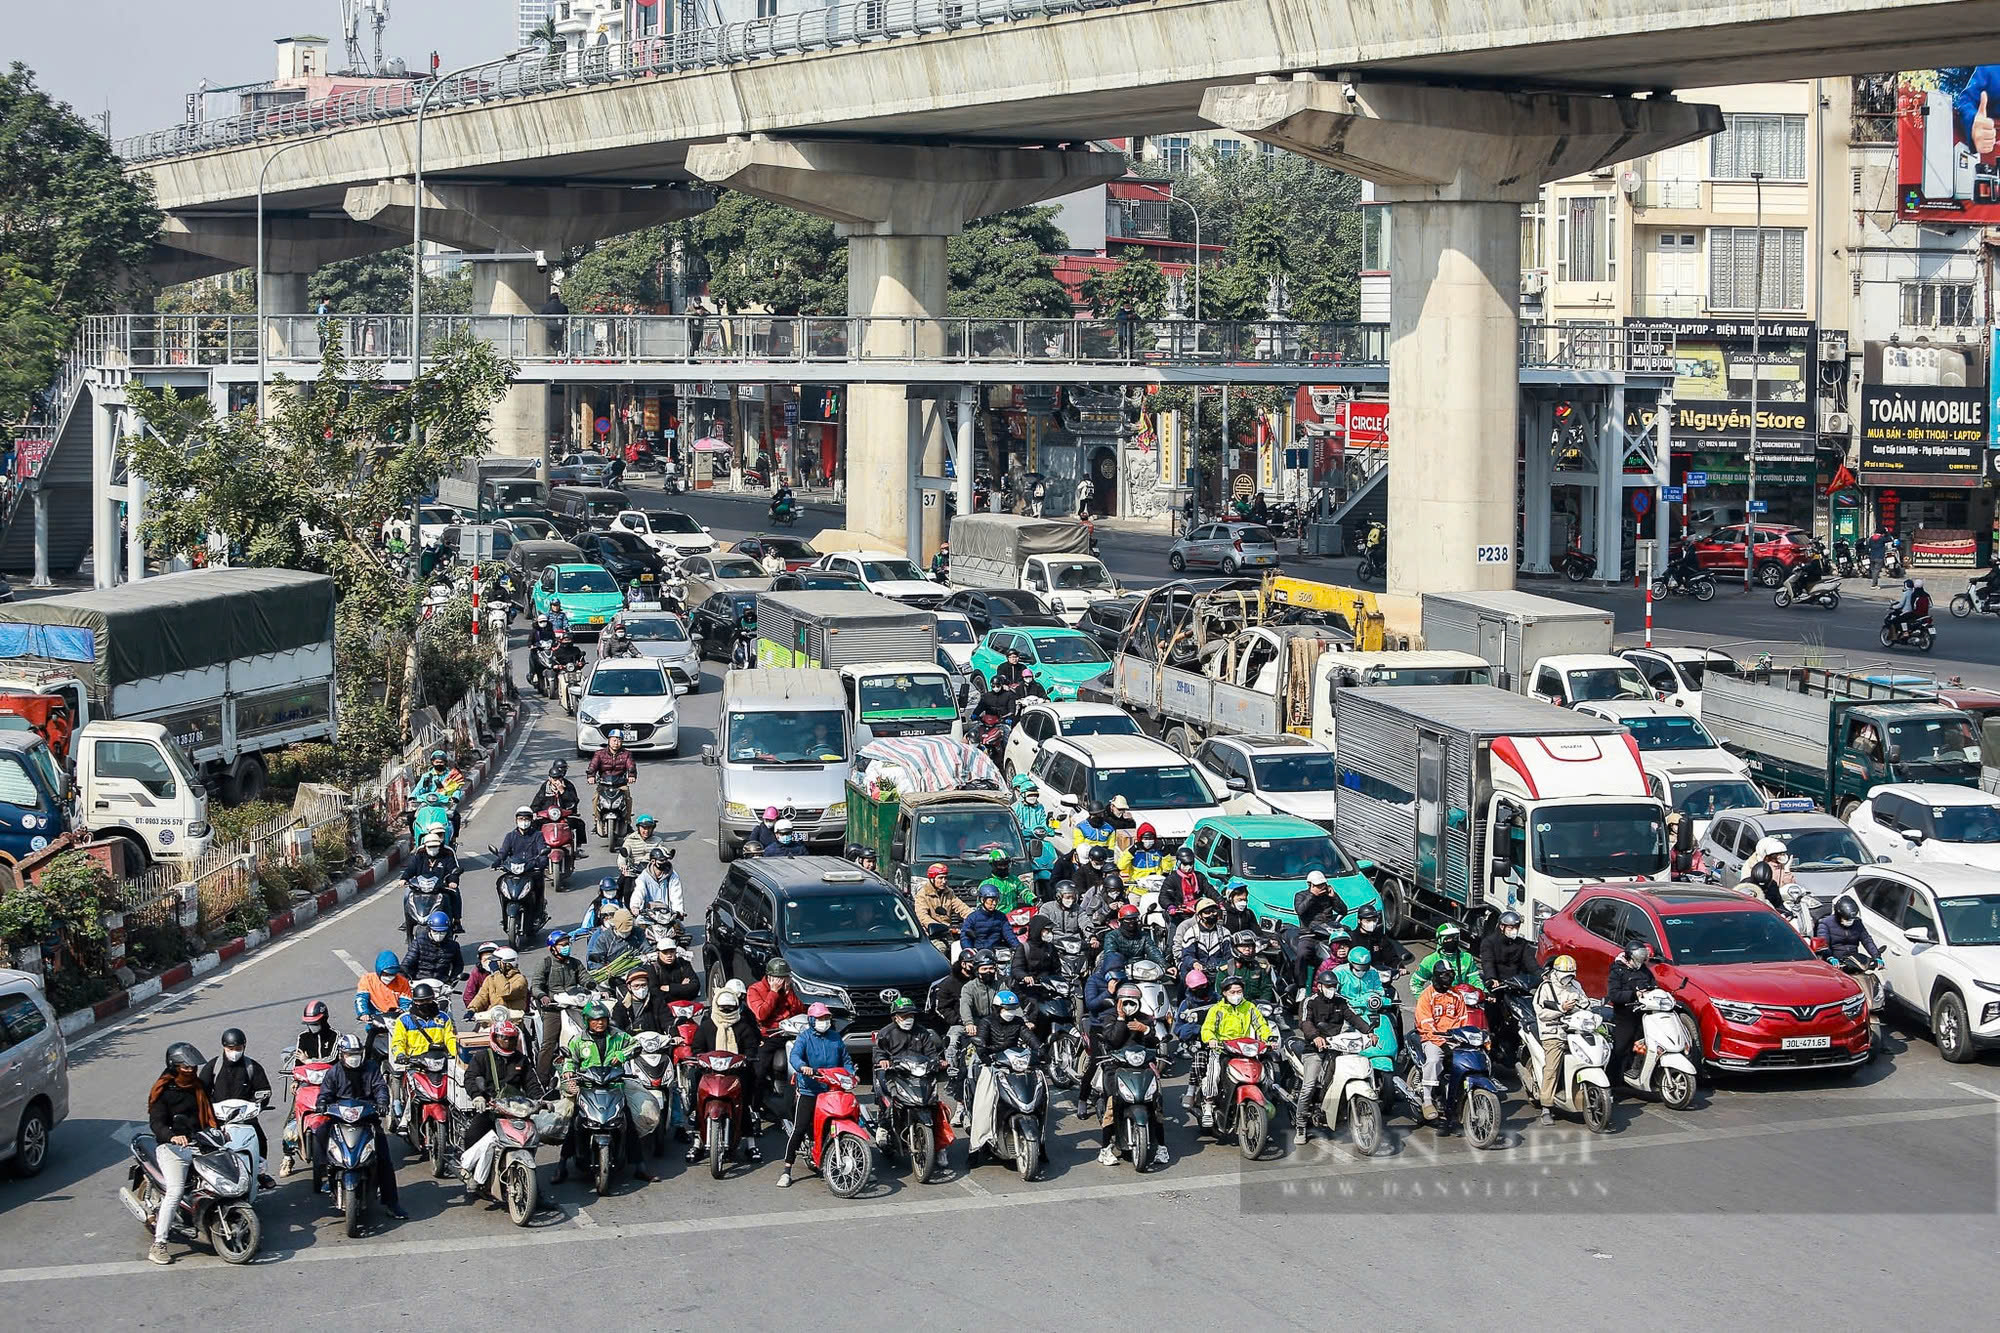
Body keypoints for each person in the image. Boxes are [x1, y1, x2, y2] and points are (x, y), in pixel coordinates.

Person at [558, 1000, 653, 1183]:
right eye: (595, 1020)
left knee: (628, 1122)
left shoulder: (618, 1036)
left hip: (614, 1086)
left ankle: (640, 1167)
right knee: (575, 1122)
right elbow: (570, 1059)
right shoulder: (578, 1040)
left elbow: (636, 1046)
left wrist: (622, 1055)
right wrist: (569, 1070)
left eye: (603, 1019)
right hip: (587, 1087)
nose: (600, 1023)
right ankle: (561, 1166)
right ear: (587, 1021)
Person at [310, 1032, 403, 1218]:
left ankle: (392, 1204)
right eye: (349, 1054)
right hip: (339, 1118)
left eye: (357, 1054)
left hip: (367, 1118)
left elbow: (380, 1087)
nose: (354, 1058)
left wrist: (383, 1102)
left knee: (384, 1158)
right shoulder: (334, 1072)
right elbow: (325, 1093)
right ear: (342, 1055)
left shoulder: (371, 1068)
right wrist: (322, 1103)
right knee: (319, 1133)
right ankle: (323, 1172)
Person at [456, 1017, 543, 1193]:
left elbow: (532, 1083)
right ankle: (471, 1172)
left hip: (516, 1109)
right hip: (491, 1108)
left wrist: (542, 1100)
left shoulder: (521, 1060)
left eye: (512, 1038)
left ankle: (534, 1190)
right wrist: (477, 1097)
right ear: (495, 1038)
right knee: (474, 1133)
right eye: (504, 1038)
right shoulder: (482, 1057)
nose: (508, 1041)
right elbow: (471, 1078)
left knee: (532, 1137)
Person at [1088, 983, 1168, 1166]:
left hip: (1142, 1066)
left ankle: (1162, 1147)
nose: (1129, 1006)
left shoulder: (1145, 1019)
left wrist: (1145, 1030)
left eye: (1133, 1002)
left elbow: (1155, 1041)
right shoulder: (1109, 1017)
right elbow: (1113, 1040)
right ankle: (1105, 1148)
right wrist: (1121, 1020)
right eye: (1125, 1002)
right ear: (1119, 1002)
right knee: (1111, 1103)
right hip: (1115, 1066)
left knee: (1156, 1103)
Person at [777, 1003, 854, 1187]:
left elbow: (846, 1060)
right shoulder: (804, 1038)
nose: (824, 1022)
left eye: (826, 1018)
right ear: (811, 1020)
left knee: (849, 1120)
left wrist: (851, 1073)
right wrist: (803, 1067)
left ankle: (859, 1163)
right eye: (820, 1019)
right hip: (809, 1090)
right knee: (800, 1127)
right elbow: (795, 1056)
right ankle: (787, 1169)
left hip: (833, 1089)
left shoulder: (835, 1037)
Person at [686, 987, 762, 1163]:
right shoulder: (707, 1026)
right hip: (710, 1073)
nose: (727, 1011)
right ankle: (697, 1142)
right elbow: (697, 1048)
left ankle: (751, 1143)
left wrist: (746, 1059)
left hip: (736, 1073)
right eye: (723, 1007)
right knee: (698, 1098)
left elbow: (752, 1047)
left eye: (730, 1007)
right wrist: (701, 1060)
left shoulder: (743, 1026)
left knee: (743, 1103)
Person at [966, 988, 1041, 1166]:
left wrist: (1041, 1050)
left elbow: (1029, 1037)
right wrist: (985, 1055)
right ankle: (975, 1148)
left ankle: (1042, 1145)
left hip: (1014, 1063)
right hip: (992, 1065)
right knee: (983, 1105)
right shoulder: (986, 1022)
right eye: (1006, 1008)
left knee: (1039, 1092)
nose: (1010, 1012)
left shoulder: (1018, 1021)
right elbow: (981, 1043)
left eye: (1013, 1008)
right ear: (997, 1009)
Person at [1195, 974, 1273, 1128]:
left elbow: (1261, 1026)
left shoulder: (1250, 1007)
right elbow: (1207, 1028)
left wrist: (1270, 1038)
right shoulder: (1216, 1010)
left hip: (1244, 1050)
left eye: (1239, 992)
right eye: (1232, 992)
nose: (1236, 995)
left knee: (1265, 1075)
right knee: (1214, 1073)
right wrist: (1210, 1039)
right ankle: (1208, 1105)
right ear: (1224, 993)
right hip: (1221, 1049)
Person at [1296, 966, 1361, 1143]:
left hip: (1337, 1047)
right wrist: (1315, 1037)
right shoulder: (1310, 1001)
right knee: (1309, 1086)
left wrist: (1369, 1031)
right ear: (1320, 986)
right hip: (1314, 1049)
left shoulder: (1341, 1001)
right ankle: (1300, 1124)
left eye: (1334, 986)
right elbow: (1304, 1021)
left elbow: (1353, 1017)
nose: (1332, 989)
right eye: (1328, 986)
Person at [871, 995, 945, 1146]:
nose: (908, 1019)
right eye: (904, 1015)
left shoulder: (922, 1032)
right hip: (895, 1073)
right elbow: (879, 1052)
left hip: (918, 1074)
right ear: (895, 1017)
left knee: (933, 1103)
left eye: (910, 1015)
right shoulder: (886, 1033)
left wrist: (938, 1062)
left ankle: (940, 1145)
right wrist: (882, 1061)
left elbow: (931, 1052)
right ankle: (883, 1127)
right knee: (889, 1099)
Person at [198, 1028, 275, 1173]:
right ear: (224, 1047)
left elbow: (264, 1090)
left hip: (245, 1118)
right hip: (219, 1119)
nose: (234, 1052)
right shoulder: (213, 1067)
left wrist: (256, 1105)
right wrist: (209, 1107)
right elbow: (201, 1091)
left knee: (260, 1140)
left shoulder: (253, 1067)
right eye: (230, 1048)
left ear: (244, 1047)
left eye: (238, 1048)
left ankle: (260, 1172)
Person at [1532, 954, 1592, 1124]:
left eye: (1571, 975)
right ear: (1556, 972)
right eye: (1566, 975)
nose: (1569, 979)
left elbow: (1586, 1003)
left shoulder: (1575, 985)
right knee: (1552, 1067)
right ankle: (1546, 1107)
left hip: (1576, 1029)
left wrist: (1578, 1008)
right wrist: (1561, 1009)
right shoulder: (1545, 988)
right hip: (1553, 1032)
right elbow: (1541, 1013)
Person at [746, 958, 806, 1121]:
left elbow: (799, 1011)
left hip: (791, 1033)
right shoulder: (755, 989)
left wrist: (788, 993)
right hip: (768, 1035)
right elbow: (761, 1014)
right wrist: (773, 992)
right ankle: (755, 1107)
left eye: (785, 977)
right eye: (779, 978)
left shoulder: (791, 989)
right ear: (770, 977)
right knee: (758, 1070)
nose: (782, 981)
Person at [1413, 960, 1472, 1121]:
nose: (1449, 978)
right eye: (1445, 975)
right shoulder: (1426, 996)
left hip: (1454, 1038)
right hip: (1432, 1038)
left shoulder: (1457, 995)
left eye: (1451, 974)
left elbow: (1464, 1020)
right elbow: (1425, 1025)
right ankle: (1427, 1099)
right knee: (1433, 1060)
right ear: (1436, 976)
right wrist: (1442, 1044)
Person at [533, 929, 591, 1081]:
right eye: (562, 945)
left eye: (567, 944)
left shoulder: (575, 963)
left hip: (574, 1007)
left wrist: (591, 985)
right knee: (548, 1044)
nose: (566, 947)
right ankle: (541, 1080)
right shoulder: (545, 964)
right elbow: (536, 985)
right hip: (553, 1009)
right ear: (552, 948)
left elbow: (585, 977)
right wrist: (543, 996)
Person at [1603, 937, 1658, 1096]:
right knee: (1621, 1048)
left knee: (1642, 1046)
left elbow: (1653, 985)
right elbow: (1614, 995)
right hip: (1625, 1015)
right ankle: (1612, 1083)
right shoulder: (1617, 971)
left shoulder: (1643, 970)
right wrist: (1634, 995)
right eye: (1638, 959)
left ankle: (1637, 1074)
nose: (1640, 963)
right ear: (1629, 957)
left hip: (1644, 1014)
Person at [494, 807, 551, 932]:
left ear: (531, 820)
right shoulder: (510, 836)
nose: (523, 821)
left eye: (526, 819)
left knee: (538, 885)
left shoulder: (538, 835)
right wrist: (498, 861)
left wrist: (541, 862)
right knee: (500, 883)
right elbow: (503, 852)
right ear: (516, 820)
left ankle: (537, 913)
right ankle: (505, 915)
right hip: (513, 871)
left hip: (531, 871)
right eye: (521, 819)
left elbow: (543, 851)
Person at [402, 827, 464, 932]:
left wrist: (453, 881)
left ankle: (457, 921)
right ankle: (408, 920)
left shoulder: (447, 856)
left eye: (435, 846)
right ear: (425, 846)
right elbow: (410, 869)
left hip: (440, 887)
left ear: (439, 846)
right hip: (420, 888)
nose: (432, 849)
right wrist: (404, 878)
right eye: (430, 847)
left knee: (455, 893)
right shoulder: (419, 856)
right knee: (407, 894)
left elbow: (452, 870)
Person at [1214, 929, 1279, 1009]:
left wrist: (1261, 1005)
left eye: (1250, 946)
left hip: (1257, 1008)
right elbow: (1220, 993)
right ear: (1235, 948)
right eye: (1243, 946)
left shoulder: (1260, 967)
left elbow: (1267, 989)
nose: (1248, 949)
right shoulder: (1225, 969)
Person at [912, 861, 969, 947]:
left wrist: (976, 918)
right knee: (941, 948)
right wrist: (939, 927)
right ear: (932, 879)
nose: (944, 881)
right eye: (940, 878)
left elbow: (962, 908)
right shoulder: (922, 895)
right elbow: (922, 917)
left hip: (947, 933)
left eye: (945, 878)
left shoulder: (949, 892)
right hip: (930, 934)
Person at [1814, 897, 1882, 968]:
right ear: (1839, 915)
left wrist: (1876, 956)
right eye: (1846, 919)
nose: (1850, 921)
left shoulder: (1857, 923)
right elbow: (1823, 944)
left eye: (1852, 919)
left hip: (1853, 962)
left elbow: (1867, 940)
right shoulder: (1825, 923)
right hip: (1835, 963)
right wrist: (1829, 957)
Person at [1413, 922, 1483, 990]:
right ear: (1440, 940)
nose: (1452, 941)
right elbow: (1415, 983)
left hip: (1464, 999)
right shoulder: (1429, 961)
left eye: (1455, 938)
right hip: (1440, 1000)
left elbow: (1475, 979)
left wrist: (1484, 993)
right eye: (1448, 938)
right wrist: (1426, 1000)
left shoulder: (1467, 958)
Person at [533, 759, 587, 848]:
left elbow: (573, 802)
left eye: (559, 778)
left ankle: (578, 847)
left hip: (563, 816)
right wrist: (534, 812)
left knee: (580, 824)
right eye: (554, 778)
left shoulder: (569, 785)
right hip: (547, 817)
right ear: (549, 778)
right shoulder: (545, 787)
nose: (557, 781)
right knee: (533, 825)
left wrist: (563, 792)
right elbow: (537, 801)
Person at [402, 910, 464, 985]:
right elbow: (407, 963)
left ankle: (457, 918)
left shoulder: (453, 946)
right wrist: (406, 977)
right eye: (435, 931)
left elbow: (458, 966)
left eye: (442, 932)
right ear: (429, 929)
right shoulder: (418, 943)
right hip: (418, 983)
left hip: (441, 985)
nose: (438, 935)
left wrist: (451, 981)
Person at [1173, 897, 1230, 978]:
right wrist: (1194, 963)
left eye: (1214, 911)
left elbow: (1228, 955)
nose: (1211, 915)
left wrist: (1224, 966)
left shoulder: (1225, 932)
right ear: (1199, 915)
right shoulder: (1191, 932)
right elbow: (1187, 955)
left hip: (1219, 970)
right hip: (1197, 969)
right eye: (1207, 912)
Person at [468, 947, 530, 1015]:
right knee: (480, 1025)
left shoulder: (520, 979)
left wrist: (497, 972)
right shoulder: (490, 979)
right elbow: (482, 996)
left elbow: (505, 992)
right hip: (494, 1017)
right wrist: (472, 1009)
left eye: (496, 961)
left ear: (507, 963)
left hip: (513, 1019)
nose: (492, 964)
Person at [959, 885, 1020, 953]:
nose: (994, 903)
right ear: (982, 900)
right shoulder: (972, 918)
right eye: (991, 900)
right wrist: (970, 951)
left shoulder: (1001, 917)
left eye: (996, 900)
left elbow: (1009, 935)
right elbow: (965, 937)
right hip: (978, 953)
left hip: (998, 953)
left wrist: (1018, 948)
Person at [629, 845, 685, 920]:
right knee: (636, 930)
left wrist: (678, 911)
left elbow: (676, 894)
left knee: (680, 930)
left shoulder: (673, 876)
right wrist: (635, 906)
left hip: (667, 916)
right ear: (653, 861)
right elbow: (639, 891)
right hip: (647, 916)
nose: (665, 863)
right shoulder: (644, 876)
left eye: (666, 860)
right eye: (662, 860)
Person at [642, 934, 701, 1004]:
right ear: (658, 953)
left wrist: (670, 988)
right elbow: (655, 992)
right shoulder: (652, 968)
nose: (669, 955)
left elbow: (695, 986)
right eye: (665, 952)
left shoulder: (683, 963)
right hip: (664, 1008)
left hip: (685, 1005)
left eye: (671, 952)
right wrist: (682, 988)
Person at [1741, 836, 1794, 913]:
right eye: (1773, 856)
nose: (1776, 860)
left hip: (1776, 904)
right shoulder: (1752, 867)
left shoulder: (1781, 867)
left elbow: (1789, 888)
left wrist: (1786, 871)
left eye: (1779, 855)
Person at [613, 969, 671, 1035]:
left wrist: (674, 1035)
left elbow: (667, 1020)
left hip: (654, 1039)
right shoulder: (621, 1006)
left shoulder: (657, 1001)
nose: (641, 989)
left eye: (643, 985)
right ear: (629, 987)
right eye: (636, 986)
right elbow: (617, 1027)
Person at [1160, 847, 1205, 922]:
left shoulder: (1199, 877)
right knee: (1176, 931)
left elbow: (1210, 890)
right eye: (1185, 864)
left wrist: (1220, 902)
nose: (1188, 867)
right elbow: (1163, 897)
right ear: (1178, 863)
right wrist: (1170, 906)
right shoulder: (1171, 879)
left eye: (1190, 864)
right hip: (1178, 914)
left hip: (1197, 912)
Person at [618, 813, 667, 879]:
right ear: (638, 828)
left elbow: (663, 852)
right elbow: (623, 855)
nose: (646, 831)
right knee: (622, 882)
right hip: (633, 871)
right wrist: (623, 865)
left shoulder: (658, 841)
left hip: (652, 872)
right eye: (644, 828)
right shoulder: (630, 840)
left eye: (649, 828)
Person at [461, 941, 501, 1010]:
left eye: (491, 959)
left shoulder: (506, 971)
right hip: (483, 1010)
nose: (488, 962)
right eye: (485, 960)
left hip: (503, 1010)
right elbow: (469, 994)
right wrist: (473, 1010)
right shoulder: (476, 972)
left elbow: (520, 991)